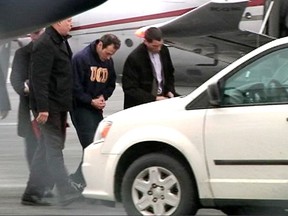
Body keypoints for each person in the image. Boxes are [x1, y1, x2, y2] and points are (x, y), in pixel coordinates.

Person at [21, 18, 82, 206]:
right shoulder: (45, 44)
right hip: (49, 107)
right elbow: (38, 80)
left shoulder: (59, 41)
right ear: (57, 23)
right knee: (54, 148)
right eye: (68, 20)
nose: (71, 24)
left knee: (44, 148)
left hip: (58, 105)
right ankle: (65, 190)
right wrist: (43, 109)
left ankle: (32, 192)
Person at [69, 34, 121, 186]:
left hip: (95, 108)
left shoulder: (108, 62)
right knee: (91, 146)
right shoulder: (81, 59)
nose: (108, 57)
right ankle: (79, 180)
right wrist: (90, 101)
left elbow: (111, 84)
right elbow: (74, 87)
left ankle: (82, 180)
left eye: (111, 55)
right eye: (107, 53)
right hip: (80, 108)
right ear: (100, 45)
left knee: (100, 144)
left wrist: (103, 97)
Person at [122, 27, 178, 109]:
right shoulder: (135, 58)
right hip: (142, 103)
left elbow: (169, 73)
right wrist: (153, 99)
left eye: (160, 45)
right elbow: (130, 88)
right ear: (145, 42)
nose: (158, 49)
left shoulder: (164, 50)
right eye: (155, 46)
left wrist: (170, 90)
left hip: (163, 97)